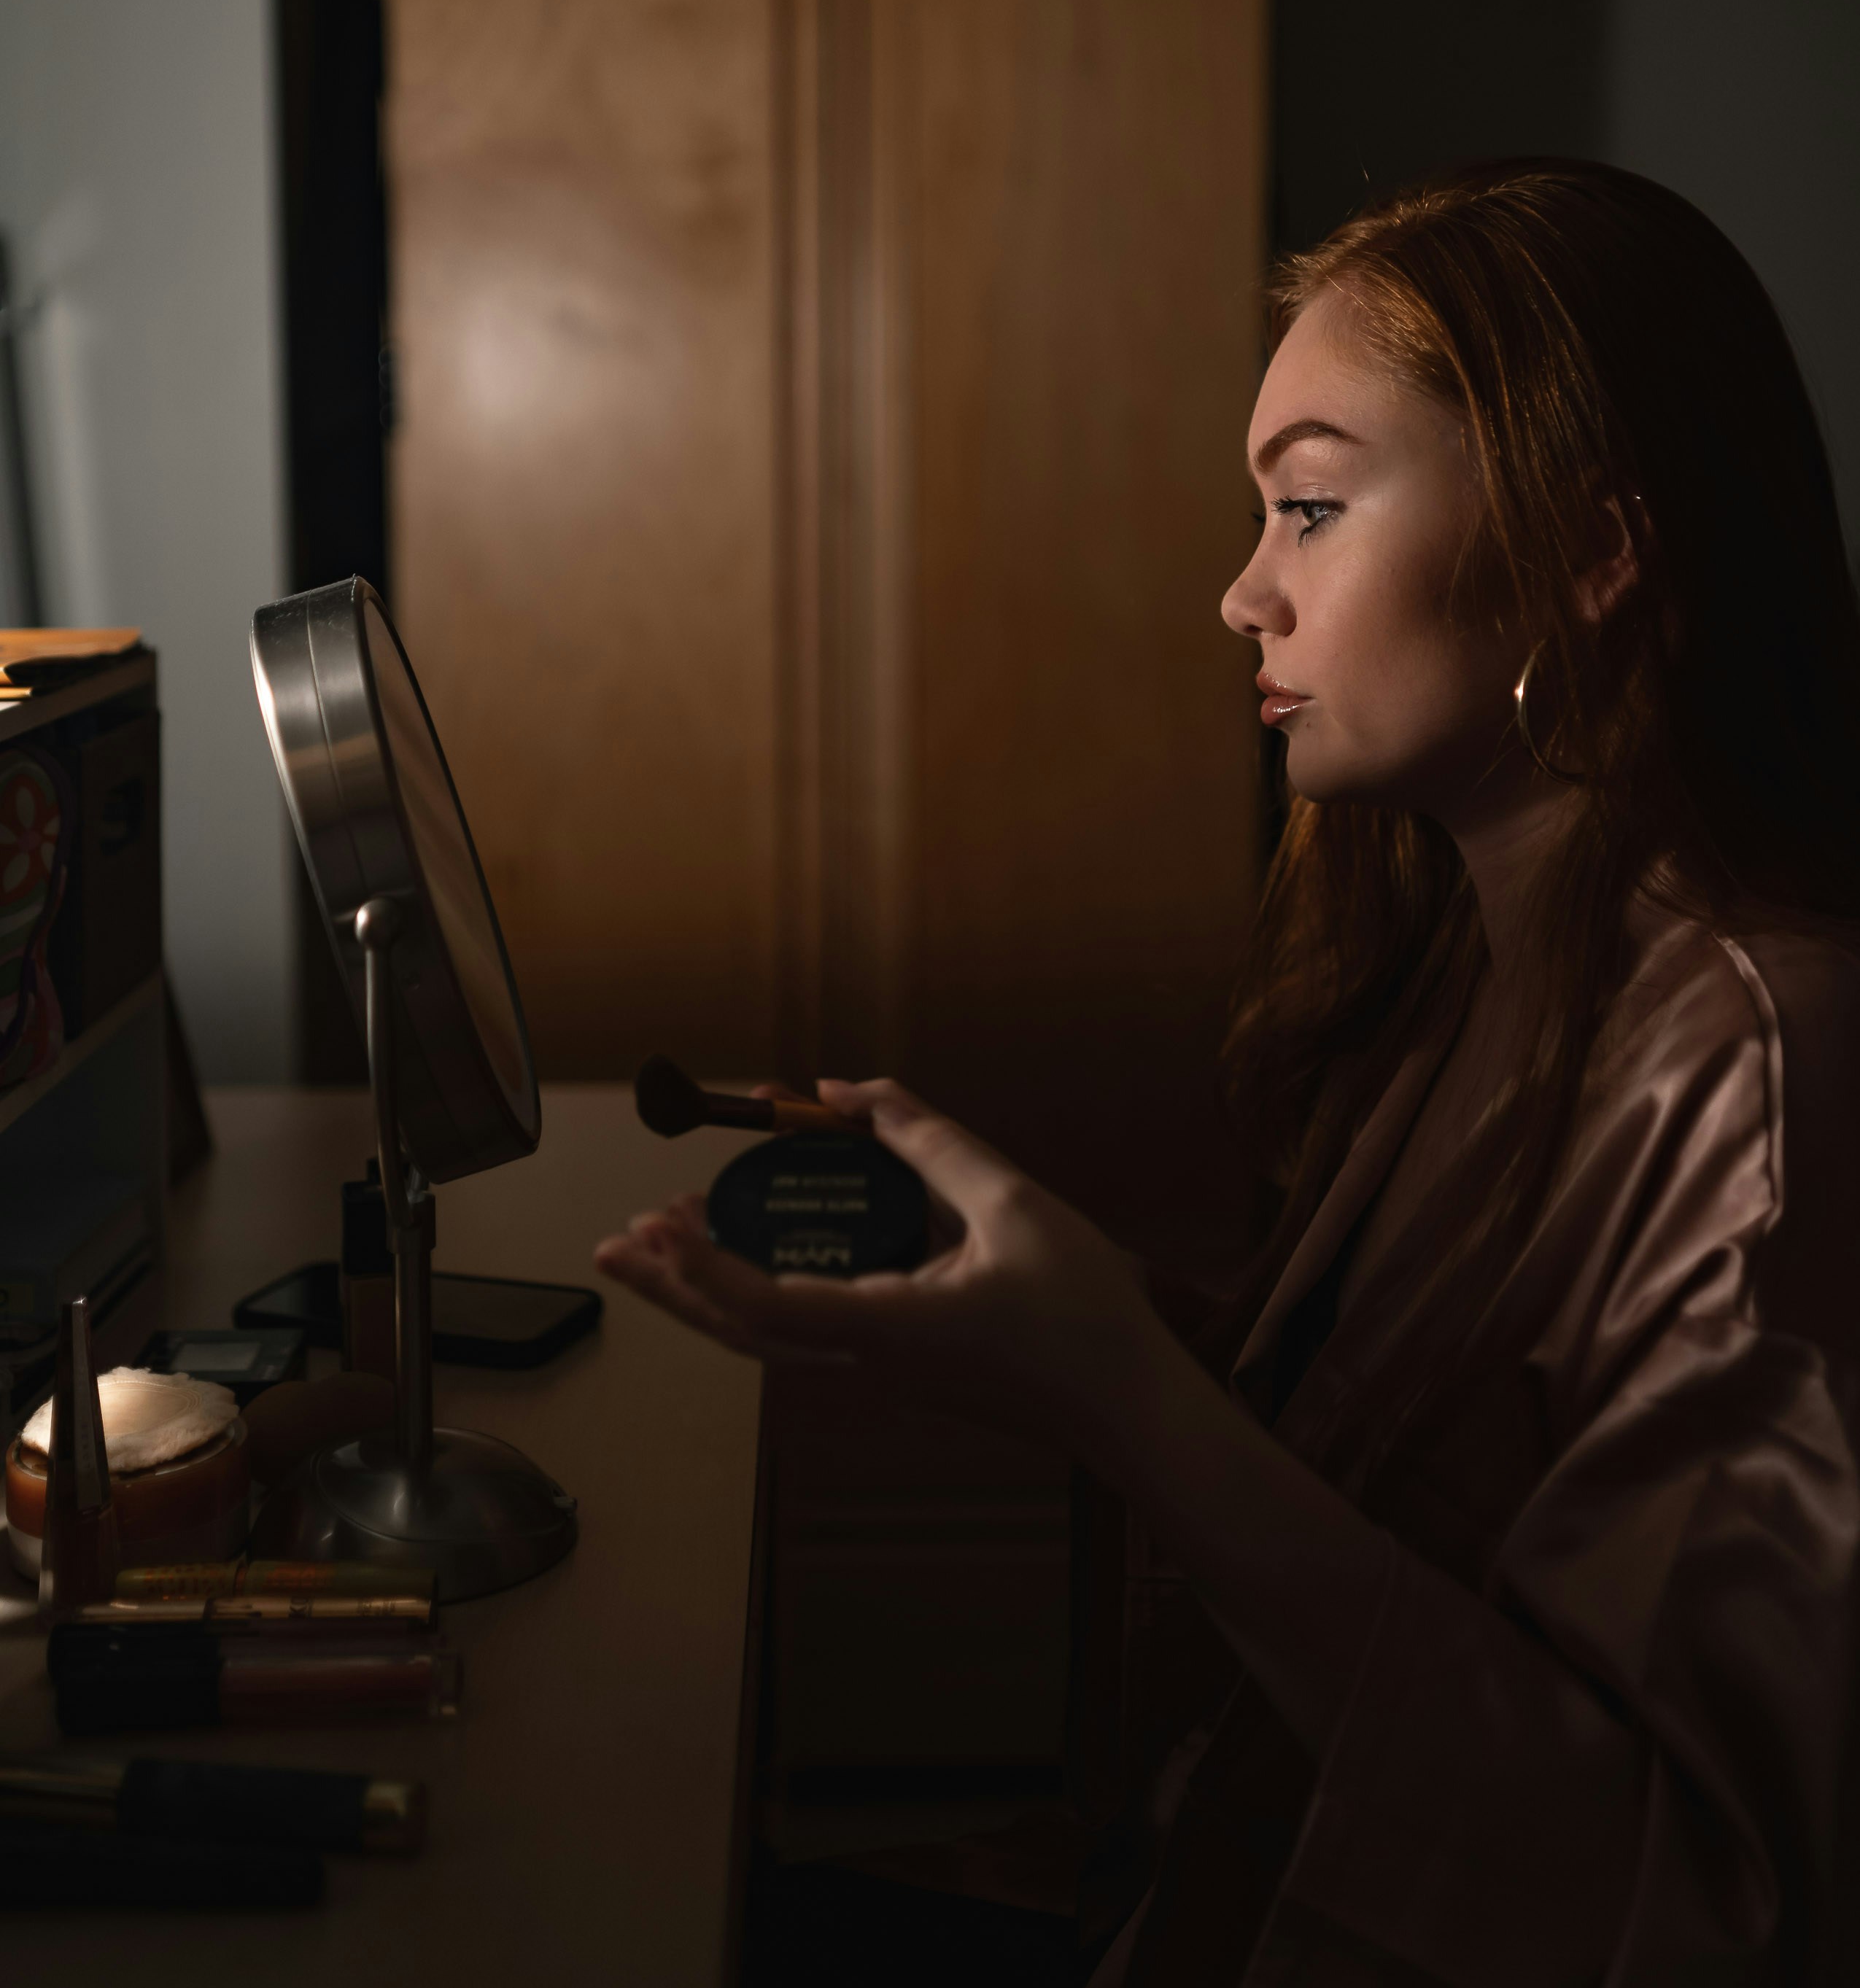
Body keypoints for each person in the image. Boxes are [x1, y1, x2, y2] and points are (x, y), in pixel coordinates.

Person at [597, 160, 1860, 1983]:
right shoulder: (1466, 963)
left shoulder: (1761, 1067)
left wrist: (1124, 1392)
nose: (1241, 592)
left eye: (1312, 508)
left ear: (1595, 551)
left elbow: (1697, 1909)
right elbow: (1421, 1480)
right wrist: (1075, 1319)